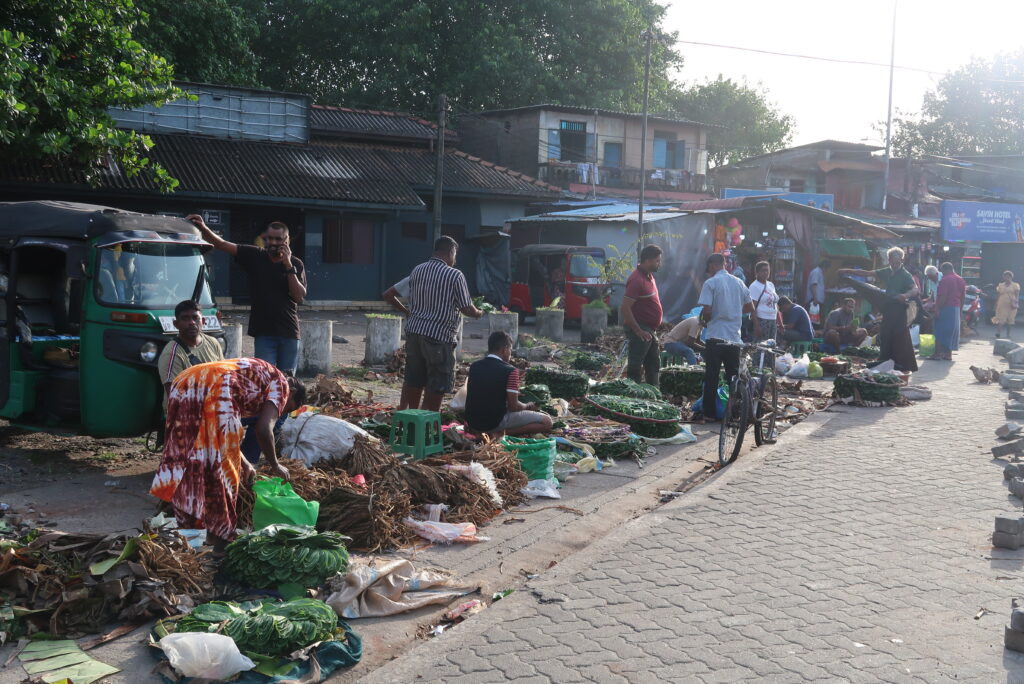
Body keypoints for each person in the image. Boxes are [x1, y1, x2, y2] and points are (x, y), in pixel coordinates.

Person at [150, 358, 306, 548]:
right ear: (293, 393)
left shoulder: (260, 375)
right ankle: (220, 542)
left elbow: (217, 438)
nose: (281, 411)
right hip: (216, 387)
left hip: (186, 381)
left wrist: (246, 463)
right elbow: (264, 429)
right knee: (223, 471)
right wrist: (275, 465)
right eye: (289, 408)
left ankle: (191, 540)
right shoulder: (282, 384)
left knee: (189, 460)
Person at [188, 215, 306, 375]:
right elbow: (221, 244)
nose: (273, 243)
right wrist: (203, 227)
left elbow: (299, 297)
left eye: (278, 239)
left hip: (289, 333)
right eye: (269, 238)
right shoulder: (255, 255)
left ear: (287, 241)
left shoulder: (296, 264)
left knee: (288, 381)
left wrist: (288, 265)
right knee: (264, 378)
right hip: (264, 333)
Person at [401, 237, 483, 411]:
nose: (455, 260)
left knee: (414, 378)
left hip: (414, 333)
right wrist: (478, 313)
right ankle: (428, 421)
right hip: (438, 336)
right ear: (451, 252)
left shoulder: (417, 270)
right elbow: (466, 307)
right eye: (455, 255)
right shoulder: (455, 274)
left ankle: (413, 416)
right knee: (438, 382)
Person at [839, 247, 919, 372]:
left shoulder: (905, 274)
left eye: (898, 261)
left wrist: (905, 295)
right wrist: (847, 270)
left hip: (899, 310)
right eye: (893, 261)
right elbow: (867, 273)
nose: (895, 263)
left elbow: (915, 289)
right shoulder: (887, 271)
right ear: (889, 260)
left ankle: (902, 365)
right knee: (886, 335)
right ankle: (885, 361)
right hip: (888, 309)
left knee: (899, 336)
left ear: (901, 260)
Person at [697, 253, 753, 422]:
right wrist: (734, 312)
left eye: (709, 269)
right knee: (733, 378)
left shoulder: (711, 283)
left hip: (715, 337)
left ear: (713, 266)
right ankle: (735, 412)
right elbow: (750, 307)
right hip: (734, 339)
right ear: (725, 264)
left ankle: (709, 414)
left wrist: (705, 321)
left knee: (712, 376)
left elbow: (706, 311)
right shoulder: (739, 282)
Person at [465, 331, 552, 438]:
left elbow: (484, 392)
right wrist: (528, 406)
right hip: (493, 422)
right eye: (510, 350)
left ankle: (481, 432)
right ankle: (498, 434)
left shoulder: (475, 366)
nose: (510, 353)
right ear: (504, 350)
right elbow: (513, 407)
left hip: (473, 423)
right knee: (547, 422)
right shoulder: (511, 371)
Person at [156, 300, 225, 408]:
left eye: (195, 318)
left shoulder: (213, 343)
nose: (192, 322)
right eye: (185, 318)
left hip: (214, 408)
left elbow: (223, 378)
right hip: (186, 415)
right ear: (176, 324)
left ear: (203, 321)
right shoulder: (171, 354)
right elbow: (175, 398)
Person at [621, 245, 664, 386]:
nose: (659, 263)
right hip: (640, 329)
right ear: (648, 261)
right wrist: (638, 330)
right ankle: (634, 396)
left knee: (653, 364)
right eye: (657, 261)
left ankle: (654, 396)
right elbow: (625, 308)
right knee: (635, 365)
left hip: (650, 329)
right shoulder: (636, 279)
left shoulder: (649, 276)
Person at [931, 262, 966, 360]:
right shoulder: (961, 279)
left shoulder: (945, 280)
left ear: (945, 269)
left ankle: (937, 354)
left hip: (946, 308)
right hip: (956, 308)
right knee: (951, 332)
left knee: (939, 331)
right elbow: (963, 297)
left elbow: (943, 297)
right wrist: (960, 310)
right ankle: (948, 354)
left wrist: (937, 309)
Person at [748, 261, 779, 343]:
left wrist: (779, 320)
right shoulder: (754, 286)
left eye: (767, 270)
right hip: (762, 320)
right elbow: (752, 307)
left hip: (773, 320)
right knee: (760, 347)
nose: (765, 273)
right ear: (757, 272)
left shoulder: (771, 285)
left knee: (771, 347)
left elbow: (775, 303)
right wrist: (757, 325)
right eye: (763, 270)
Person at [993, 270, 1021, 340]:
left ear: (1011, 277)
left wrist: (1016, 302)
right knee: (1001, 318)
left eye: (1008, 277)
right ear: (1003, 277)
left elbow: (1017, 295)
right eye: (1005, 277)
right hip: (1002, 304)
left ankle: (1008, 334)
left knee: (1010, 319)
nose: (1007, 278)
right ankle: (998, 333)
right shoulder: (1001, 285)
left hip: (1011, 304)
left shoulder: (1015, 285)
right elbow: (998, 295)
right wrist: (996, 303)